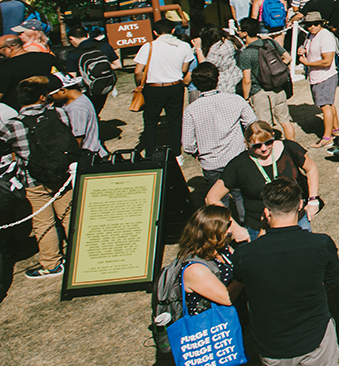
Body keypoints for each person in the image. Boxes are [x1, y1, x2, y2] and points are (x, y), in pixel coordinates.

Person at [229, 179, 339, 366]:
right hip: (314, 335)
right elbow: (332, 279)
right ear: (301, 207)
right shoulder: (320, 243)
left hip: (271, 341)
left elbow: (235, 291)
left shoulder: (246, 254)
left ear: (266, 213)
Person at [174, 205, 255, 366]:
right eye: (228, 225)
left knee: (225, 365)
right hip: (206, 330)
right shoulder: (196, 268)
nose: (233, 228)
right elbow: (226, 297)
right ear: (214, 232)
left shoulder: (219, 250)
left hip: (223, 324)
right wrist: (245, 272)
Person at [0, 76, 79, 279]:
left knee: (44, 222)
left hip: (34, 181)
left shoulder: (11, 126)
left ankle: (52, 264)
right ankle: (78, 255)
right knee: (69, 215)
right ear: (42, 97)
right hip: (62, 174)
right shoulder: (59, 113)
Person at [207, 121, 322, 241]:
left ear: (273, 135)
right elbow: (212, 197)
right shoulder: (239, 165)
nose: (264, 149)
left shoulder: (289, 148)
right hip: (259, 227)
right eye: (257, 146)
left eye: (269, 142)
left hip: (297, 221)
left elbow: (311, 168)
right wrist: (235, 228)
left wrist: (313, 200)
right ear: (247, 143)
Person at [180, 62, 256, 193]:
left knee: (218, 199)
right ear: (217, 78)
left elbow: (187, 145)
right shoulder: (236, 100)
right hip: (237, 157)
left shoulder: (191, 110)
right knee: (240, 196)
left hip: (211, 163)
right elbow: (253, 124)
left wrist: (196, 153)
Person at [135, 16, 196, 156]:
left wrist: (139, 85)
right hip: (175, 85)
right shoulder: (184, 46)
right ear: (173, 30)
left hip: (153, 87)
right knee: (175, 121)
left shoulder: (148, 46)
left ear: (155, 32)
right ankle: (176, 152)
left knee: (150, 121)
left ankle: (149, 152)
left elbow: (138, 71)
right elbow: (184, 68)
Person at [237, 19, 299, 142]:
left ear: (244, 33)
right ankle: (293, 147)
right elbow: (288, 57)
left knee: (265, 126)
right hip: (278, 87)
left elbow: (247, 80)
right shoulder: (270, 42)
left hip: (260, 92)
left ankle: (272, 153)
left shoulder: (246, 53)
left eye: (239, 30)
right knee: (285, 120)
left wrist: (246, 98)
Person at [298, 11, 339, 148]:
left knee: (325, 106)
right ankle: (335, 130)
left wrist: (306, 63)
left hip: (325, 76)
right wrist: (302, 50)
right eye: (309, 25)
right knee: (329, 104)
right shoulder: (311, 35)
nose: (312, 27)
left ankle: (327, 137)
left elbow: (327, 61)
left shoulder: (326, 37)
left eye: (315, 24)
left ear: (321, 23)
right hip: (318, 76)